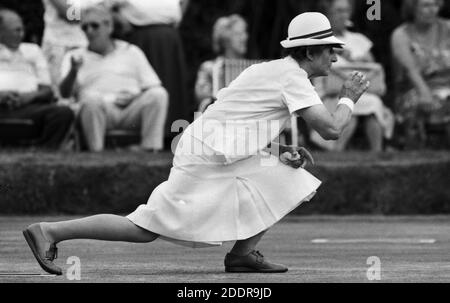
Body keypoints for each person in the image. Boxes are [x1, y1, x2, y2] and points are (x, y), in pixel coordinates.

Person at [23, 12, 370, 275]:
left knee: (288, 177)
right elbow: (331, 130)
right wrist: (349, 98)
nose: (335, 58)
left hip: (211, 147)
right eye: (330, 50)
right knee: (145, 228)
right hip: (206, 154)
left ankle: (242, 256)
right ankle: (50, 231)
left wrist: (278, 150)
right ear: (310, 51)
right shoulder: (292, 77)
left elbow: (236, 120)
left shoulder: (272, 70)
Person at [59, 6, 169, 152]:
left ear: (109, 26)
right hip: (99, 111)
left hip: (130, 111)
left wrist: (135, 96)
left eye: (94, 26)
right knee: (91, 100)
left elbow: (152, 85)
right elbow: (65, 94)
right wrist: (73, 71)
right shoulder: (75, 56)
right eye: (85, 27)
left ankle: (149, 149)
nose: (89, 31)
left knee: (158, 94)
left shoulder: (131, 51)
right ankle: (97, 154)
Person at [310, 0, 394, 152]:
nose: (343, 15)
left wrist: (361, 60)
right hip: (330, 94)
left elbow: (372, 70)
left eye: (346, 11)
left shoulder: (360, 40)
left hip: (362, 92)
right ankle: (338, 151)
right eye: (338, 11)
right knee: (353, 107)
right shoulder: (318, 40)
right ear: (327, 15)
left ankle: (377, 152)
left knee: (371, 102)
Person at [110, 0, 191, 144]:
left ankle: (174, 137)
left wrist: (177, 19)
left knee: (172, 87)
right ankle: (147, 138)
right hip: (141, 37)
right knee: (147, 89)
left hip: (169, 36)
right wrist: (122, 21)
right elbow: (108, 6)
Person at [0, 8, 74, 150]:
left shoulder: (32, 51)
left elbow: (47, 90)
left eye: (22, 29)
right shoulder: (78, 5)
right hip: (60, 45)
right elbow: (71, 14)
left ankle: (43, 151)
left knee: (62, 113)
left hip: (28, 107)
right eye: (16, 30)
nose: (22, 34)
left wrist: (27, 97)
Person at [391, 0, 450, 149]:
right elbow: (411, 70)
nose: (432, 10)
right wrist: (425, 92)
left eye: (436, 5)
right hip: (415, 89)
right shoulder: (401, 34)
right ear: (413, 8)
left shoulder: (448, 28)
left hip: (447, 87)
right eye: (426, 5)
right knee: (419, 104)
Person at [195, 14, 249, 113]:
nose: (244, 37)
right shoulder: (209, 68)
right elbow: (202, 99)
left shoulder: (252, 68)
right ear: (225, 40)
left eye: (244, 33)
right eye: (238, 34)